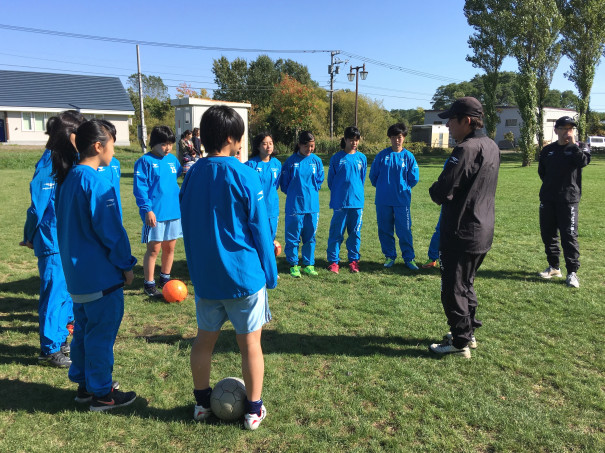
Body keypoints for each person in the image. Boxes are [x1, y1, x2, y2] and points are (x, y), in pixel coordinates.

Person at [180, 105, 277, 430]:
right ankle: (253, 410)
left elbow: (190, 226)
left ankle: (202, 405)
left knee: (203, 341)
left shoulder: (191, 174)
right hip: (244, 278)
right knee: (250, 344)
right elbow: (260, 231)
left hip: (207, 280)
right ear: (230, 138)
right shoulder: (244, 174)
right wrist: (271, 274)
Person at [52, 118, 137, 410]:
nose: (114, 151)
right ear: (99, 146)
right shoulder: (95, 182)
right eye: (112, 144)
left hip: (77, 278)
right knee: (100, 336)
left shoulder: (68, 179)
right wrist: (126, 265)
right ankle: (102, 393)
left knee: (85, 332)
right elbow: (111, 231)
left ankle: (84, 385)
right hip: (101, 278)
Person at [428, 97, 500, 358]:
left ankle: (459, 344)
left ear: (467, 121)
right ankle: (468, 332)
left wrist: (435, 191)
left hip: (461, 230)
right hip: (482, 230)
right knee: (466, 283)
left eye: (451, 120)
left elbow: (442, 190)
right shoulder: (491, 146)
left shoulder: (465, 149)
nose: (447, 125)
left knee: (453, 287)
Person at [21, 110, 85, 368]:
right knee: (53, 293)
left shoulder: (68, 160)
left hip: (66, 238)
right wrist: (29, 236)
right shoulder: (48, 163)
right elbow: (37, 206)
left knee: (66, 293)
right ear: (68, 136)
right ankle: (49, 349)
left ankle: (61, 339)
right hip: (51, 240)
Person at [537, 116, 591, 288]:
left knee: (569, 236)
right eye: (564, 128)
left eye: (571, 128)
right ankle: (554, 267)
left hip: (568, 200)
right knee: (548, 234)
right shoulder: (548, 150)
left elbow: (583, 161)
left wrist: (574, 146)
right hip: (548, 198)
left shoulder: (579, 147)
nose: (568, 132)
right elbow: (542, 172)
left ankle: (572, 273)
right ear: (556, 130)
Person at [133, 126, 182, 298]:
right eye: (163, 144)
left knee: (170, 247)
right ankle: (149, 283)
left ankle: (165, 279)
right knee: (153, 249)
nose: (167, 148)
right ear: (153, 143)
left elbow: (174, 178)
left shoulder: (173, 160)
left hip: (174, 212)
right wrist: (148, 210)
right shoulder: (144, 162)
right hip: (155, 214)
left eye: (170, 144)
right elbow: (140, 189)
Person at [369, 123, 420, 270]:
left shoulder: (408, 157)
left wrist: (402, 188)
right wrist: (384, 188)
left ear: (404, 138)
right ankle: (390, 256)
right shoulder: (382, 156)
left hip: (401, 201)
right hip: (383, 200)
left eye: (399, 137)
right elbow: (373, 176)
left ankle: (409, 258)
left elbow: (414, 178)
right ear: (389, 138)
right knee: (385, 229)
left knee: (404, 230)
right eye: (393, 137)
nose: (396, 140)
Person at [280, 131, 325, 278]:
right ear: (299, 145)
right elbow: (284, 185)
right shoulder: (290, 162)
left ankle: (308, 264)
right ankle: (293, 264)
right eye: (306, 146)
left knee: (310, 237)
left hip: (312, 207)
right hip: (295, 206)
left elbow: (319, 180)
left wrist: (309, 192)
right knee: (293, 237)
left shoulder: (317, 161)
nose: (309, 149)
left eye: (312, 146)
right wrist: (295, 194)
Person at [326, 126, 367, 273]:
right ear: (345, 140)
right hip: (340, 202)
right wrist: (339, 193)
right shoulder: (336, 158)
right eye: (351, 140)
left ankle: (353, 261)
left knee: (355, 233)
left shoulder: (362, 158)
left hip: (356, 202)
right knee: (336, 232)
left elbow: (361, 179)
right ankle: (333, 262)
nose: (354, 143)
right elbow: (331, 181)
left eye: (356, 140)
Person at [245, 132, 282, 240]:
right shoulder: (250, 165)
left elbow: (276, 185)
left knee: (270, 239)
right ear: (258, 146)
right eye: (265, 144)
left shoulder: (277, 164)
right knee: (256, 239)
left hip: (272, 208)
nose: (268, 146)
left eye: (271, 143)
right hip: (256, 209)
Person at [422, 158, 451, 269]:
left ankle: (455, 261)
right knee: (440, 229)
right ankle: (432, 258)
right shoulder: (452, 160)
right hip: (450, 201)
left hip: (465, 203)